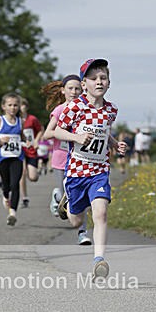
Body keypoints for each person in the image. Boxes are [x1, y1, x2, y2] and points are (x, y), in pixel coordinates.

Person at [53, 58, 127, 280]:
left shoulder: (111, 110)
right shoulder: (74, 107)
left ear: (109, 82)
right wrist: (76, 137)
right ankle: (67, 203)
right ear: (84, 84)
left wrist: (114, 144)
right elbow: (57, 131)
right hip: (76, 171)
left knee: (100, 213)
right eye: (93, 78)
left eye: (103, 78)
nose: (99, 82)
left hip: (99, 170)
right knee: (76, 220)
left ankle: (99, 260)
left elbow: (104, 132)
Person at [42, 73, 93, 244]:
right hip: (61, 160)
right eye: (70, 88)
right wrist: (69, 135)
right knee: (65, 196)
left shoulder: (86, 110)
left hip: (80, 160)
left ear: (82, 90)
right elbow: (47, 133)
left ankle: (82, 233)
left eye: (77, 89)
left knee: (80, 198)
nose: (74, 92)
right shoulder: (59, 110)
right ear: (63, 91)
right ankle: (57, 196)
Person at [0, 92, 24, 226]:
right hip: (3, 158)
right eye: (10, 105)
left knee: (15, 184)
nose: (13, 108)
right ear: (3, 106)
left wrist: (28, 142)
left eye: (15, 105)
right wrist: (0, 140)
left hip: (17, 157)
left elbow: (22, 137)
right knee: (6, 185)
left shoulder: (20, 121)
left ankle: (12, 213)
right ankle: (5, 195)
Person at [18, 97, 41, 207]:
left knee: (33, 177)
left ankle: (35, 171)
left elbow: (40, 130)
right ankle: (24, 198)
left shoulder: (32, 119)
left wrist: (36, 140)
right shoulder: (15, 120)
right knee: (22, 172)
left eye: (23, 105)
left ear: (26, 107)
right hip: (20, 150)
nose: (21, 107)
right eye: (19, 105)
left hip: (31, 149)